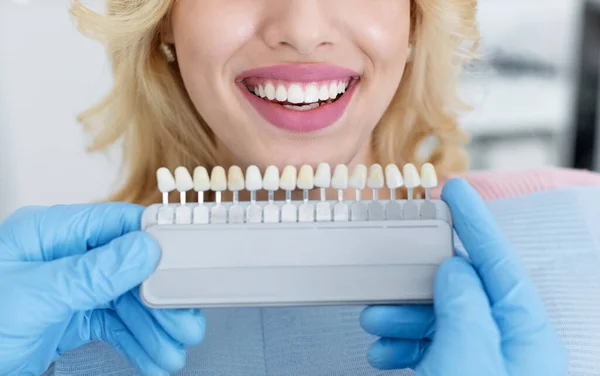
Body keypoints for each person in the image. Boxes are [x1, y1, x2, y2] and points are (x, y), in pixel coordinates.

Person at [0, 0, 567, 375]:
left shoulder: (579, 229)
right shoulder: (51, 323)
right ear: (165, 17)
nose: (300, 30)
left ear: (416, 18)